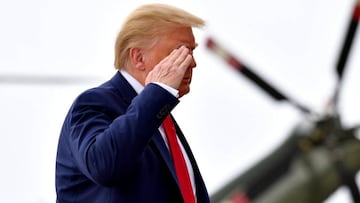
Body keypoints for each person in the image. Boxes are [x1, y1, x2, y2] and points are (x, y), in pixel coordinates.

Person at [55, 3, 210, 203]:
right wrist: (158, 93)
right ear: (138, 58)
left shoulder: (159, 116)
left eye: (192, 51)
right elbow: (103, 165)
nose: (192, 62)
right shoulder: (93, 103)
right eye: (180, 51)